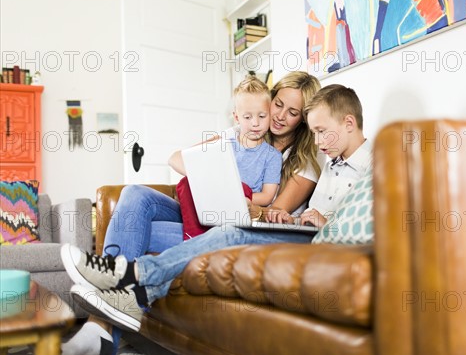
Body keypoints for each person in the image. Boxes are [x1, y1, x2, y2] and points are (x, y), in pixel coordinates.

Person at [61, 84, 372, 334]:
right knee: (135, 195)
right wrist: (214, 179)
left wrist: (266, 207)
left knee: (228, 229)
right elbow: (180, 159)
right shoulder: (329, 158)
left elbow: (285, 211)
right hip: (211, 209)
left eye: (292, 113)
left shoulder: (318, 160)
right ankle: (113, 284)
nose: (278, 117)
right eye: (277, 105)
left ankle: (121, 286)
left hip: (255, 222)